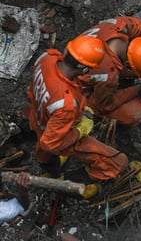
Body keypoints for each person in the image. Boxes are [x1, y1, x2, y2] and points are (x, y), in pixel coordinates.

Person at [28, 35, 129, 198]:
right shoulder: (66, 103)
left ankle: (50, 170)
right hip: (58, 134)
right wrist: (80, 130)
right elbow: (50, 143)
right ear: (85, 69)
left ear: (68, 50)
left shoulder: (47, 57)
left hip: (39, 117)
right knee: (119, 162)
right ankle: (69, 183)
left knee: (44, 150)